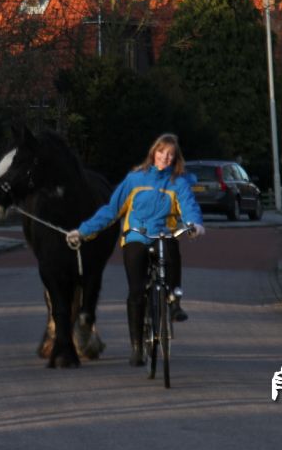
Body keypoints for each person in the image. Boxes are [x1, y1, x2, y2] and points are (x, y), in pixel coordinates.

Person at [66, 133, 205, 367]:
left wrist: (194, 225)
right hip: (136, 235)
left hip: (163, 233)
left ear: (175, 158)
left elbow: (189, 206)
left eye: (170, 154)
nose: (165, 157)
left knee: (171, 249)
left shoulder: (178, 182)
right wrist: (82, 231)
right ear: (153, 153)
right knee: (137, 290)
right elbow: (111, 211)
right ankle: (137, 348)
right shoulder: (134, 180)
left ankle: (174, 301)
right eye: (161, 152)